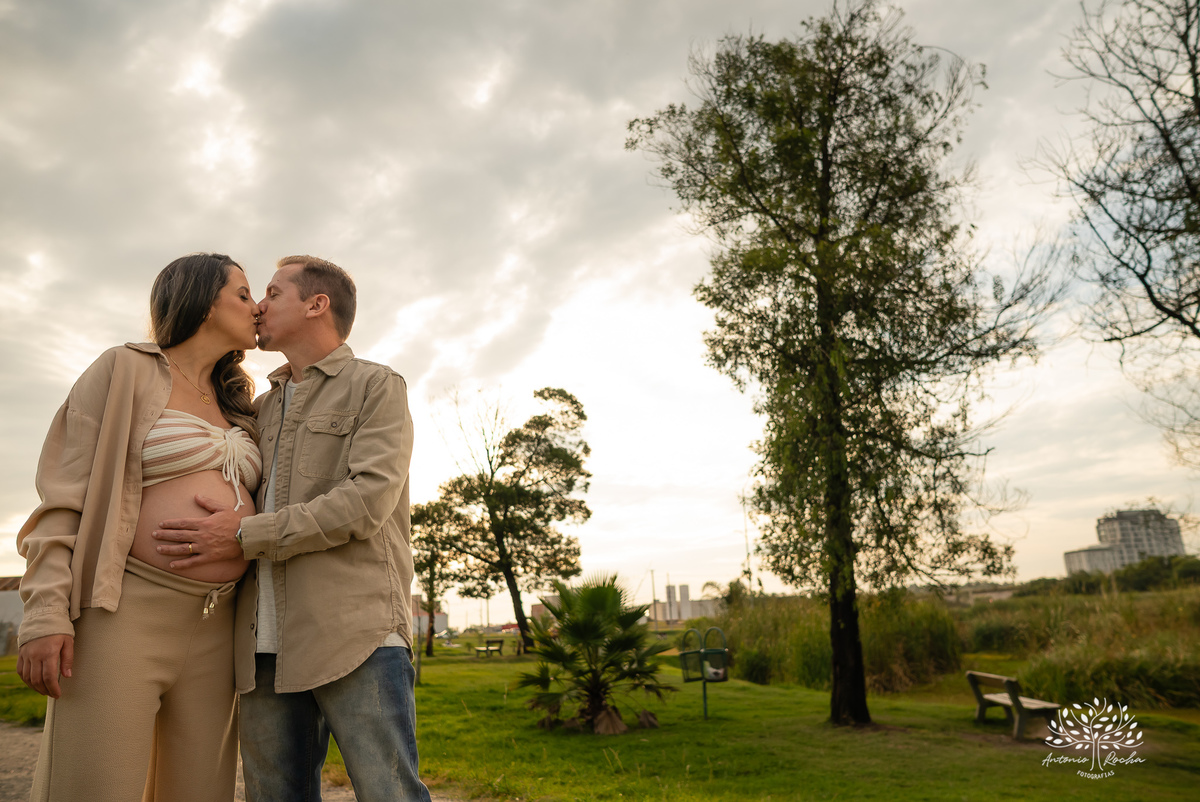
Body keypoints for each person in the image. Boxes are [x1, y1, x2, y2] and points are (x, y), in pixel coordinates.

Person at [153, 255, 431, 802]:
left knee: (388, 793)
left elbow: (366, 502)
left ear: (316, 304)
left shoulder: (377, 386)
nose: (258, 305)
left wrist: (244, 534)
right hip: (260, 648)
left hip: (357, 634)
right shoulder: (260, 407)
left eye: (273, 292)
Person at [16, 253, 262, 802]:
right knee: (93, 788)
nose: (258, 306)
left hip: (219, 624)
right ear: (202, 301)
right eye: (243, 293)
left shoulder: (241, 402)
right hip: (123, 613)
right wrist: (44, 611)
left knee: (201, 793)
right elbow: (63, 497)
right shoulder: (123, 369)